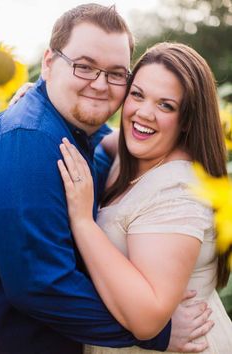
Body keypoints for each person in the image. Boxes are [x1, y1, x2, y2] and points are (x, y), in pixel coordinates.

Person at [0, 4, 212, 354]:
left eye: (115, 74)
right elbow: (39, 284)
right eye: (83, 67)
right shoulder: (31, 140)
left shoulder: (76, 129)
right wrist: (156, 334)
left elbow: (110, 143)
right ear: (49, 63)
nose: (99, 84)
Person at [57, 42, 232, 354]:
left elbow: (147, 320)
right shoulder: (137, 154)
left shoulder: (177, 193)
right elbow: (105, 137)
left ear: (188, 119)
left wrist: (84, 222)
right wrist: (43, 97)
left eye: (166, 105)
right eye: (137, 95)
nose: (143, 113)